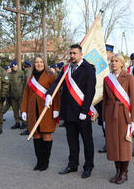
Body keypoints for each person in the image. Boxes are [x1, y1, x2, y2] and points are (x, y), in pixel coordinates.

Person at [45, 44, 96, 178]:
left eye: (74, 53)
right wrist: (49, 94)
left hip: (82, 112)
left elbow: (90, 92)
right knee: (72, 141)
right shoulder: (67, 68)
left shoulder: (88, 69)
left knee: (87, 141)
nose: (72, 56)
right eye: (71, 53)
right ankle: (73, 164)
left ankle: (88, 166)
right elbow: (57, 83)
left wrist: (84, 111)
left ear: (80, 54)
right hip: (69, 112)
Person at [102, 54, 134, 184]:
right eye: (112, 61)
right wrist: (104, 119)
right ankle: (117, 171)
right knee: (113, 144)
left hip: (124, 114)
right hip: (111, 114)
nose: (113, 63)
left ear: (122, 63)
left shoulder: (129, 77)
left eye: (116, 61)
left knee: (124, 144)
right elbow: (105, 100)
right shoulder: (107, 79)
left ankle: (124, 172)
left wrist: (133, 119)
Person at [21, 55, 60, 171]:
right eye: (37, 62)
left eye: (41, 62)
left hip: (46, 110)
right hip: (33, 110)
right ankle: (39, 161)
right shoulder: (30, 77)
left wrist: (56, 109)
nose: (39, 64)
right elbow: (26, 94)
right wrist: (23, 110)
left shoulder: (51, 75)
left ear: (44, 63)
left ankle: (45, 162)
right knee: (36, 135)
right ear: (34, 64)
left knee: (46, 134)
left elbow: (56, 94)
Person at [97, 44, 114, 154]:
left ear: (111, 53)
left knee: (112, 122)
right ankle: (107, 142)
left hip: (111, 99)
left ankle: (112, 144)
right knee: (103, 122)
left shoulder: (113, 65)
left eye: (107, 52)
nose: (105, 53)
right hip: (100, 97)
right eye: (104, 51)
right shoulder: (99, 65)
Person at [9, 61, 25, 129]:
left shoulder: (21, 73)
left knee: (22, 109)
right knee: (15, 110)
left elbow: (24, 83)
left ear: (17, 66)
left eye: (15, 66)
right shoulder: (9, 75)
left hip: (21, 95)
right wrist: (8, 95)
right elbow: (8, 85)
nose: (14, 68)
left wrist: (24, 93)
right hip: (13, 95)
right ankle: (17, 122)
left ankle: (24, 123)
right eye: (13, 67)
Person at [20, 61, 32, 136]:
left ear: (25, 67)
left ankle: (29, 128)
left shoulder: (28, 73)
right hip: (28, 94)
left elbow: (28, 85)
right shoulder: (29, 72)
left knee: (28, 111)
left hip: (28, 94)